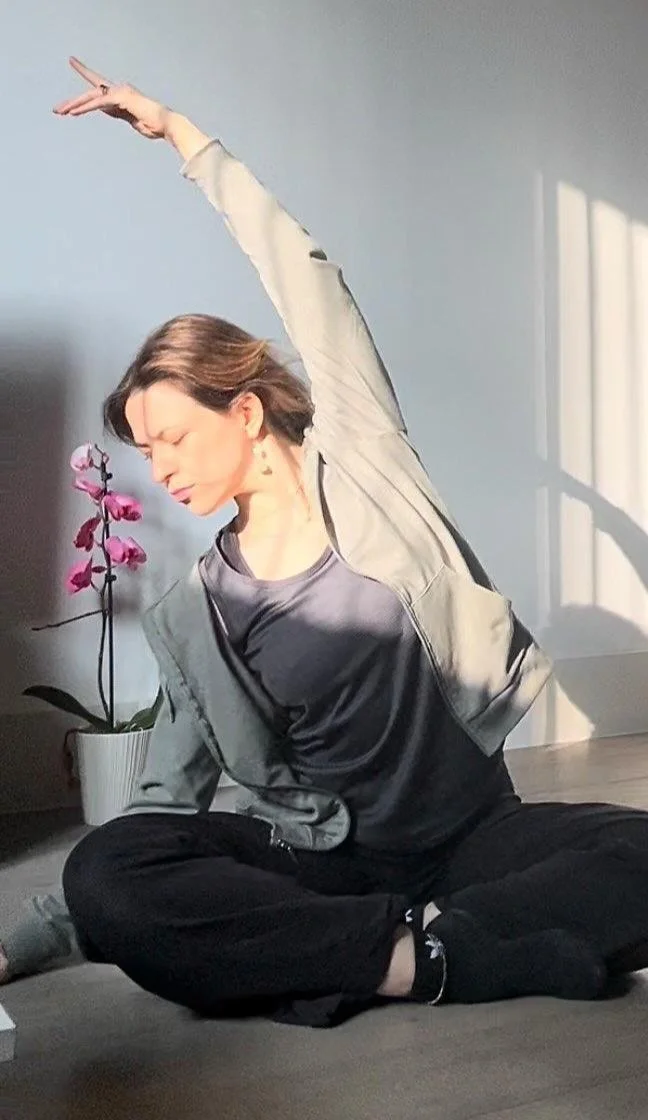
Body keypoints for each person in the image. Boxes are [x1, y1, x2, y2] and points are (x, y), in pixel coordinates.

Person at [3, 56, 648, 1027]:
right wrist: (48, 922)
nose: (162, 466)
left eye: (173, 435)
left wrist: (186, 139)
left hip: (475, 837)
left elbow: (308, 279)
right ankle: (425, 957)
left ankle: (383, 948)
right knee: (112, 868)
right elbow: (163, 802)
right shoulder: (197, 610)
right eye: (144, 450)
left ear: (249, 409)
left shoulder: (364, 462)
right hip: (313, 861)